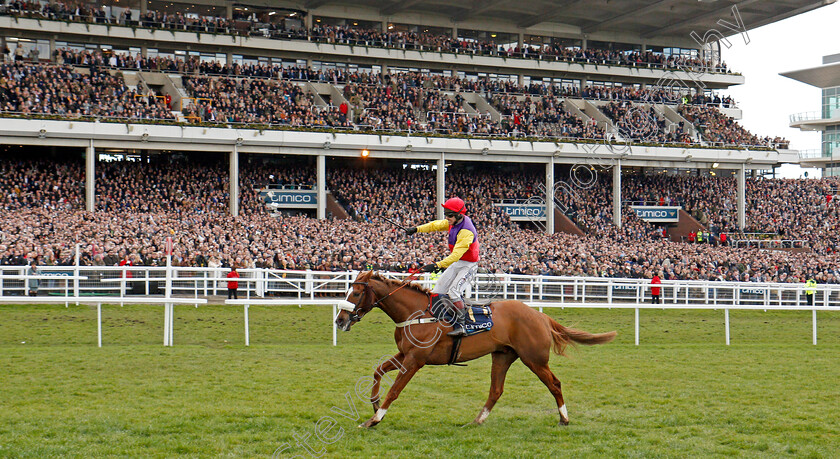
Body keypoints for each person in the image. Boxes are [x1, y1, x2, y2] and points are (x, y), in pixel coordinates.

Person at [407, 197, 479, 337]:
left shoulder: (466, 231)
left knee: (453, 292)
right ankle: (441, 319)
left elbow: (455, 255)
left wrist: (437, 266)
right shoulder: (454, 221)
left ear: (459, 214)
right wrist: (416, 229)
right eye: (446, 214)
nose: (447, 218)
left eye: (450, 215)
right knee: (437, 290)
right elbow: (435, 225)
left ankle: (463, 326)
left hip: (468, 265)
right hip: (457, 263)